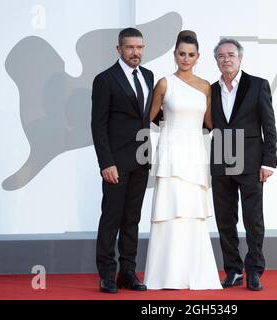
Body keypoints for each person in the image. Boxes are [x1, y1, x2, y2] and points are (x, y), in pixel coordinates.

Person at [144, 30, 222, 290]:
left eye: (190, 55)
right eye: (181, 54)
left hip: (194, 155)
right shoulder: (164, 83)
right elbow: (146, 119)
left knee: (192, 212)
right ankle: (165, 276)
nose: (185, 59)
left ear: (198, 56)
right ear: (174, 54)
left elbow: (210, 123)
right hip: (170, 156)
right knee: (168, 211)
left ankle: (194, 274)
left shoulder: (205, 86)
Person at [91, 27, 158, 293]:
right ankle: (107, 274)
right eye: (130, 47)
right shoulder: (105, 79)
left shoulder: (149, 76)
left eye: (140, 47)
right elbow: (98, 124)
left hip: (142, 160)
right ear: (119, 49)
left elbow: (147, 115)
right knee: (111, 218)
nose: (136, 52)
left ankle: (127, 272)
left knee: (132, 218)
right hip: (115, 163)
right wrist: (106, 163)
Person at [210, 38, 277, 291]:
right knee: (224, 219)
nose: (225, 59)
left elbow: (269, 126)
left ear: (240, 58)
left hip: (250, 160)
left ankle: (254, 270)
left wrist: (269, 162)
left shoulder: (257, 85)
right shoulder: (210, 90)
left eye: (230, 55)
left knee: (253, 219)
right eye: (220, 56)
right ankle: (233, 270)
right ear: (216, 60)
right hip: (221, 158)